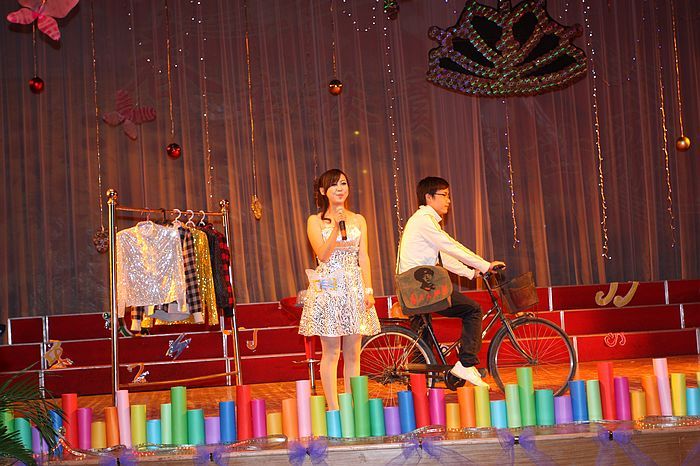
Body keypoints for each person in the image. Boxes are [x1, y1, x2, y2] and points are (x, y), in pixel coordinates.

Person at [397, 176, 506, 388]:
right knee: (473, 310)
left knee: (423, 343)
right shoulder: (424, 220)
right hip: (421, 287)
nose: (448, 200)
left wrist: (471, 273)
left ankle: (418, 391)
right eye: (444, 195)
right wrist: (485, 265)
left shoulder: (423, 221)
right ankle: (466, 363)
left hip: (413, 287)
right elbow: (451, 247)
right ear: (429, 197)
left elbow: (444, 257)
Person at [298, 169, 381, 410]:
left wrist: (368, 290)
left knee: (353, 352)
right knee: (332, 351)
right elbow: (322, 255)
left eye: (343, 183)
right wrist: (336, 226)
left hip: (353, 287)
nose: (340, 188)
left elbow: (363, 256)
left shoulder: (359, 219)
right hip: (329, 287)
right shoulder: (315, 221)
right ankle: (334, 408)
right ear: (323, 191)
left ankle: (353, 406)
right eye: (334, 185)